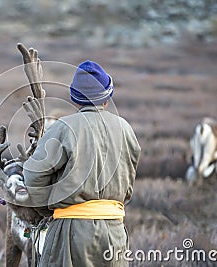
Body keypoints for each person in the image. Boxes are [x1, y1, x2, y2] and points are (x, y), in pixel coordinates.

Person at [23, 60, 141, 267]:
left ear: (75, 100)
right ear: (107, 98)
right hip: (114, 232)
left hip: (69, 233)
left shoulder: (63, 128)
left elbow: (33, 175)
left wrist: (49, 210)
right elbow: (128, 183)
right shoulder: (126, 129)